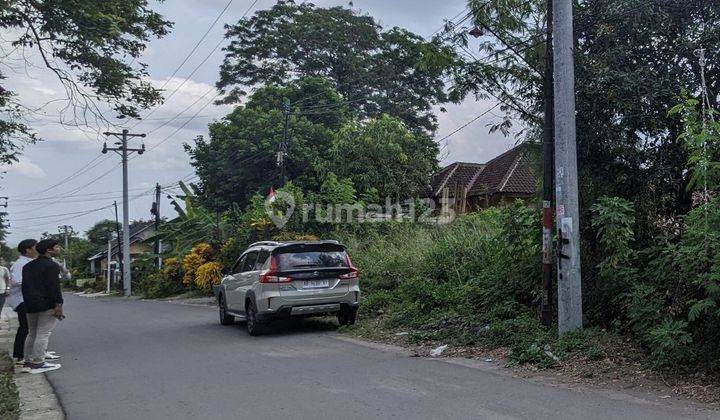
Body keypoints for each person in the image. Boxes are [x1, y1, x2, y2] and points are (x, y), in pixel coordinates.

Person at [22, 239, 65, 373]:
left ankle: (28, 361)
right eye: (56, 247)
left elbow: (25, 287)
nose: (59, 249)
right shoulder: (51, 266)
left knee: (32, 333)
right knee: (43, 333)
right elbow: (54, 287)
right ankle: (39, 363)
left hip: (30, 304)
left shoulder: (27, 266)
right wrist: (58, 305)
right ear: (49, 250)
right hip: (46, 304)